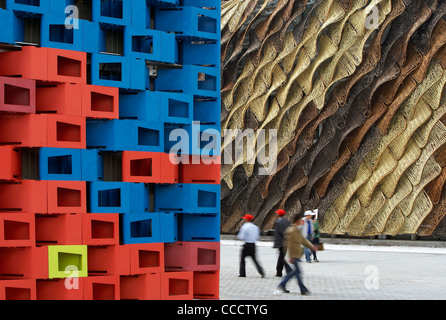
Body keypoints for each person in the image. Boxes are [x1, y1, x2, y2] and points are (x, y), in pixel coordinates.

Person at [277, 214, 315, 295]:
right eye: (300, 220)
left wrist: (312, 247)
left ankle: (283, 284)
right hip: (293, 255)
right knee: (297, 272)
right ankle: (303, 289)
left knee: (296, 272)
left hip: (297, 254)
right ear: (297, 221)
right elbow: (288, 244)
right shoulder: (291, 231)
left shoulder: (296, 230)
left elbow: (303, 240)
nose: (301, 222)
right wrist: (290, 256)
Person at [237, 214, 265, 278]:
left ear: (246, 219)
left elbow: (240, 236)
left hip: (246, 245)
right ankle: (261, 271)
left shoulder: (245, 226)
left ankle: (242, 274)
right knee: (255, 260)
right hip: (253, 245)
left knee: (242, 259)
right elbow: (257, 237)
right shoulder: (256, 227)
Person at [273, 209, 292, 277]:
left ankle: (287, 270)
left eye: (277, 213)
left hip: (281, 243)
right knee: (281, 257)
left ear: (278, 214)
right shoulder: (287, 222)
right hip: (286, 242)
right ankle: (279, 272)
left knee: (281, 258)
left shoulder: (278, 222)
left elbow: (282, 233)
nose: (276, 214)